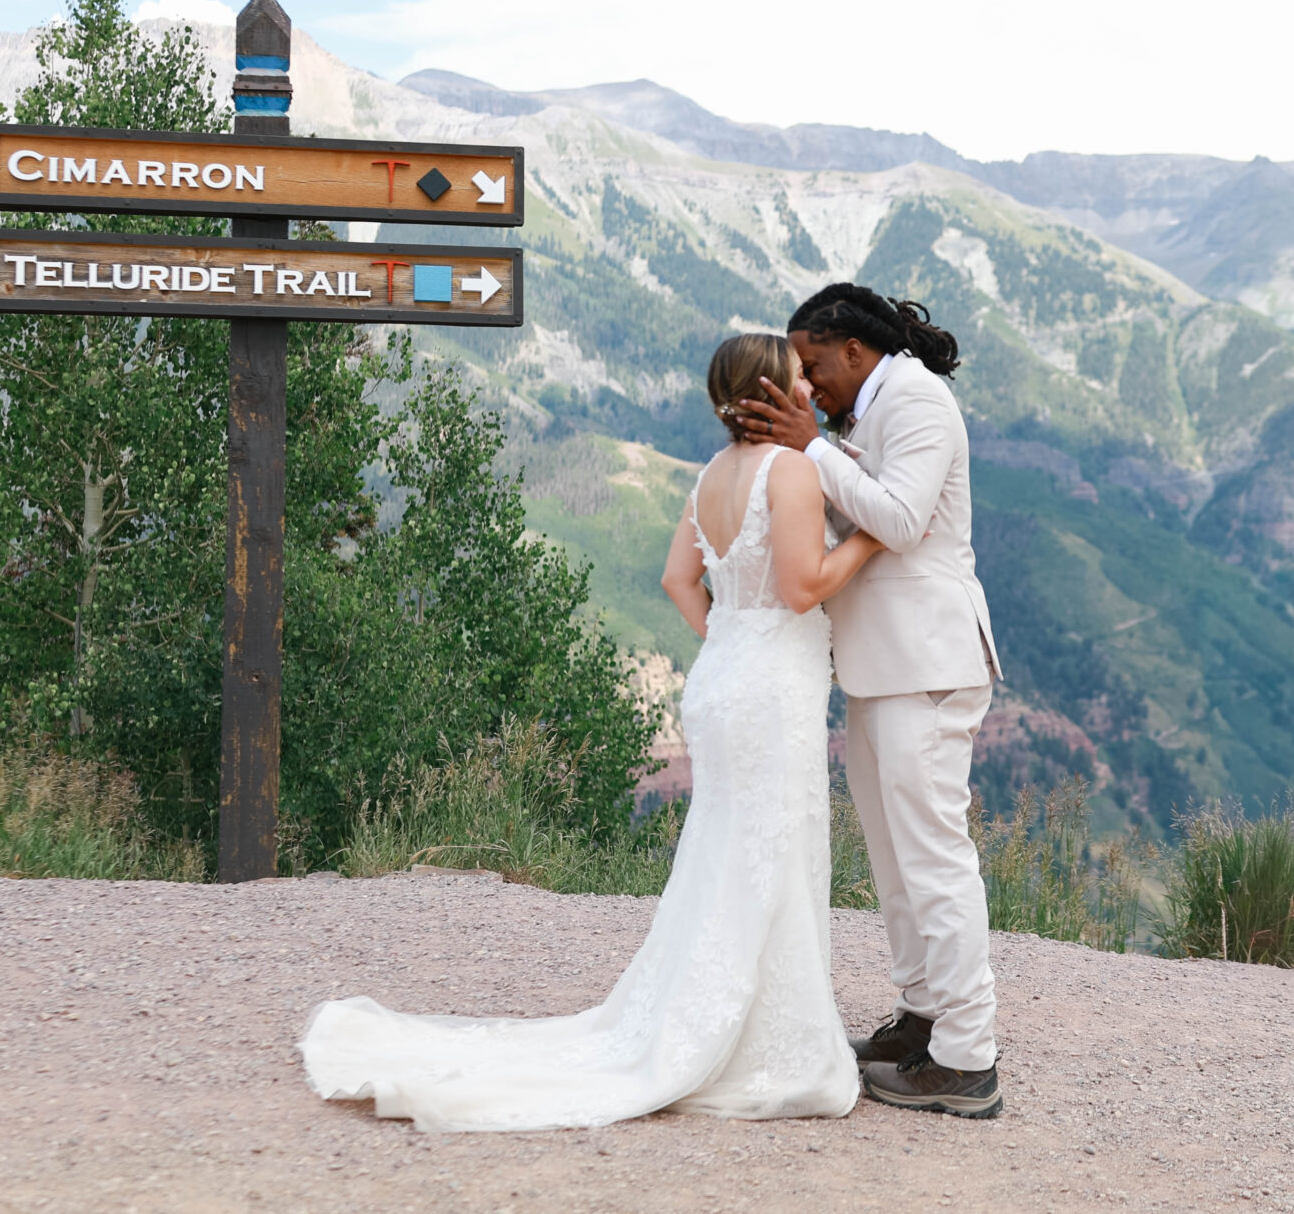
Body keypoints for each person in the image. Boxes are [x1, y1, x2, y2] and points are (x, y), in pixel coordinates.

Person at [298, 334, 883, 1131]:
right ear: (771, 391)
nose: (809, 387)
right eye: (796, 377)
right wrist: (871, 537)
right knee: (774, 850)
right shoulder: (791, 470)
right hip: (771, 686)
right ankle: (767, 1042)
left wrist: (731, 638)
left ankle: (726, 1020)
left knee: (728, 848)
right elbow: (803, 584)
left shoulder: (710, 475)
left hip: (723, 679)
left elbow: (680, 580)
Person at [735, 282, 1006, 1120]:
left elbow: (900, 517)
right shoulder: (876, 408)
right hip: (882, 664)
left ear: (853, 349)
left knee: (933, 857)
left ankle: (967, 1058)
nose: (809, 387)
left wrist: (813, 450)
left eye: (814, 366)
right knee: (895, 860)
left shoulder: (920, 400)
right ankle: (921, 1019)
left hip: (926, 662)